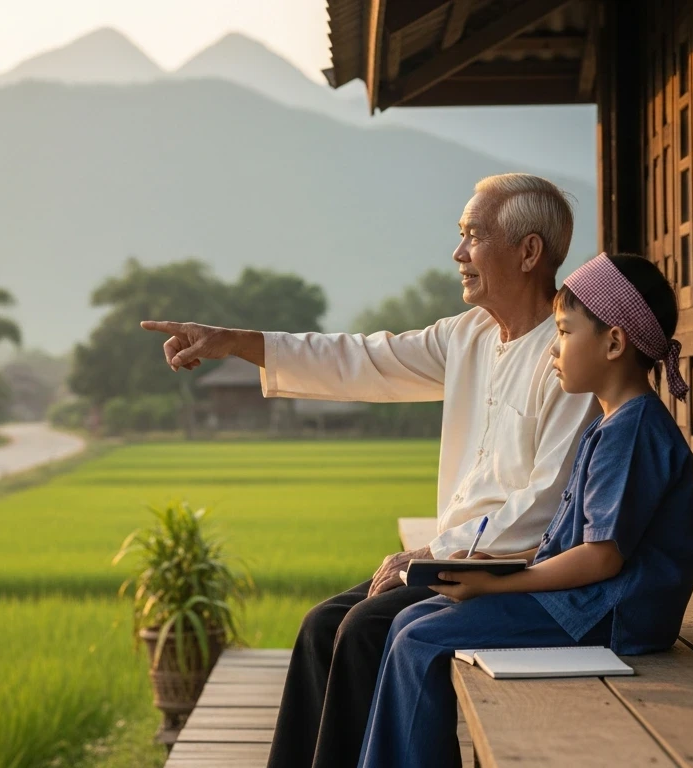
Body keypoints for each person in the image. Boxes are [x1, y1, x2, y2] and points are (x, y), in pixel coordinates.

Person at [140, 173, 601, 768]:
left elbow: (545, 503)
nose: (458, 254)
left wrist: (431, 555)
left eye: (472, 236)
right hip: (448, 562)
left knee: (361, 631)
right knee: (319, 626)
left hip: (506, 573)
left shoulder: (568, 356)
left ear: (529, 251)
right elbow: (362, 357)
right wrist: (235, 341)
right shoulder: (469, 336)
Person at [356, 253, 693, 767]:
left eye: (563, 333)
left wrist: (497, 584)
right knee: (413, 620)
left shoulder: (631, 430)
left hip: (611, 614)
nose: (553, 351)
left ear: (613, 343)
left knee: (419, 640)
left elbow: (601, 559)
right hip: (582, 602)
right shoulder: (616, 422)